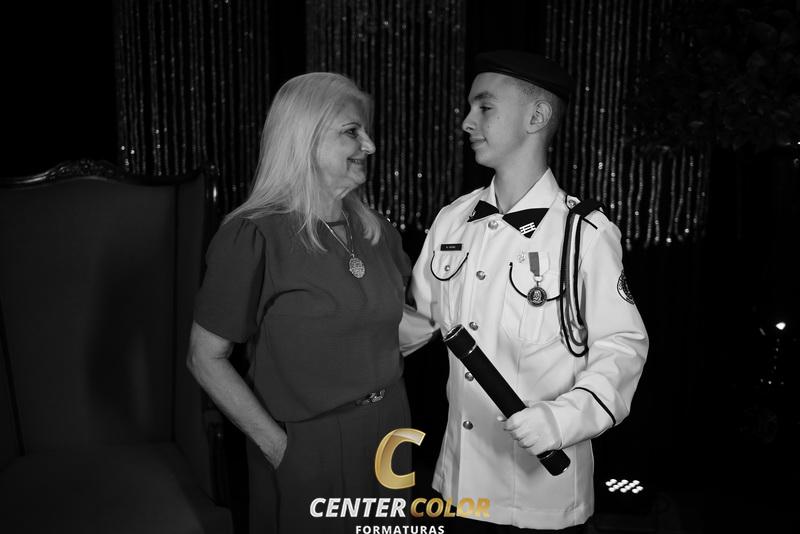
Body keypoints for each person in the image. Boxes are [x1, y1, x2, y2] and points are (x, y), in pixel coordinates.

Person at [400, 50, 649, 533]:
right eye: (469, 108)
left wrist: (561, 420)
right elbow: (417, 325)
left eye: (484, 107)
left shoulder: (584, 234)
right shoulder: (452, 222)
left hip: (541, 498)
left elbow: (623, 347)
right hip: (455, 488)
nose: (467, 121)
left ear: (536, 117)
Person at [187, 72, 412, 534]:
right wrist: (279, 449)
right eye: (352, 132)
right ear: (304, 138)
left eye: (365, 132)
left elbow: (387, 321)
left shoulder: (377, 231)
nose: (369, 146)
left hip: (391, 431)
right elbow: (204, 358)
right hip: (308, 445)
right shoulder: (253, 235)